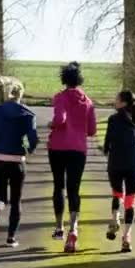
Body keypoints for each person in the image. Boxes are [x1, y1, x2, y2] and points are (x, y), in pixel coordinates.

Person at [48, 62, 97, 253]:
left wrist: (52, 124)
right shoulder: (88, 101)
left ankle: (59, 228)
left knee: (58, 185)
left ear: (64, 79)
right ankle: (73, 228)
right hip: (78, 149)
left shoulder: (60, 97)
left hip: (58, 147)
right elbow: (92, 130)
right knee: (74, 188)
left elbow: (60, 119)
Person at [0, 83, 39, 247]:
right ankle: (11, 238)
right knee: (16, 201)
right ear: (21, 94)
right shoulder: (28, 114)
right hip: (16, 162)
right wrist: (29, 149)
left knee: (0, 197)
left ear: (8, 93)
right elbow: (33, 139)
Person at [103, 91, 135, 253]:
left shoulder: (113, 119)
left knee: (117, 193)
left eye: (116, 99)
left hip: (116, 163)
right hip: (134, 166)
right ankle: (126, 237)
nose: (114, 102)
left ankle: (115, 219)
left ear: (123, 103)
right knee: (130, 201)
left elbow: (107, 144)